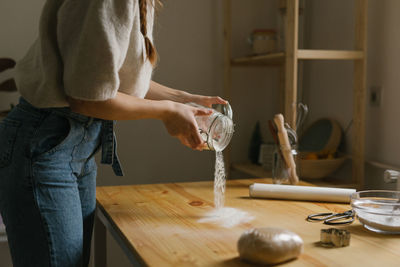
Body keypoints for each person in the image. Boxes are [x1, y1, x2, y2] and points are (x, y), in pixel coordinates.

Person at [0, 0, 226, 266]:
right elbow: (87, 98)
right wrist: (166, 111)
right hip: (44, 144)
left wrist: (181, 99)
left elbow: (104, 76)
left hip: (76, 145)